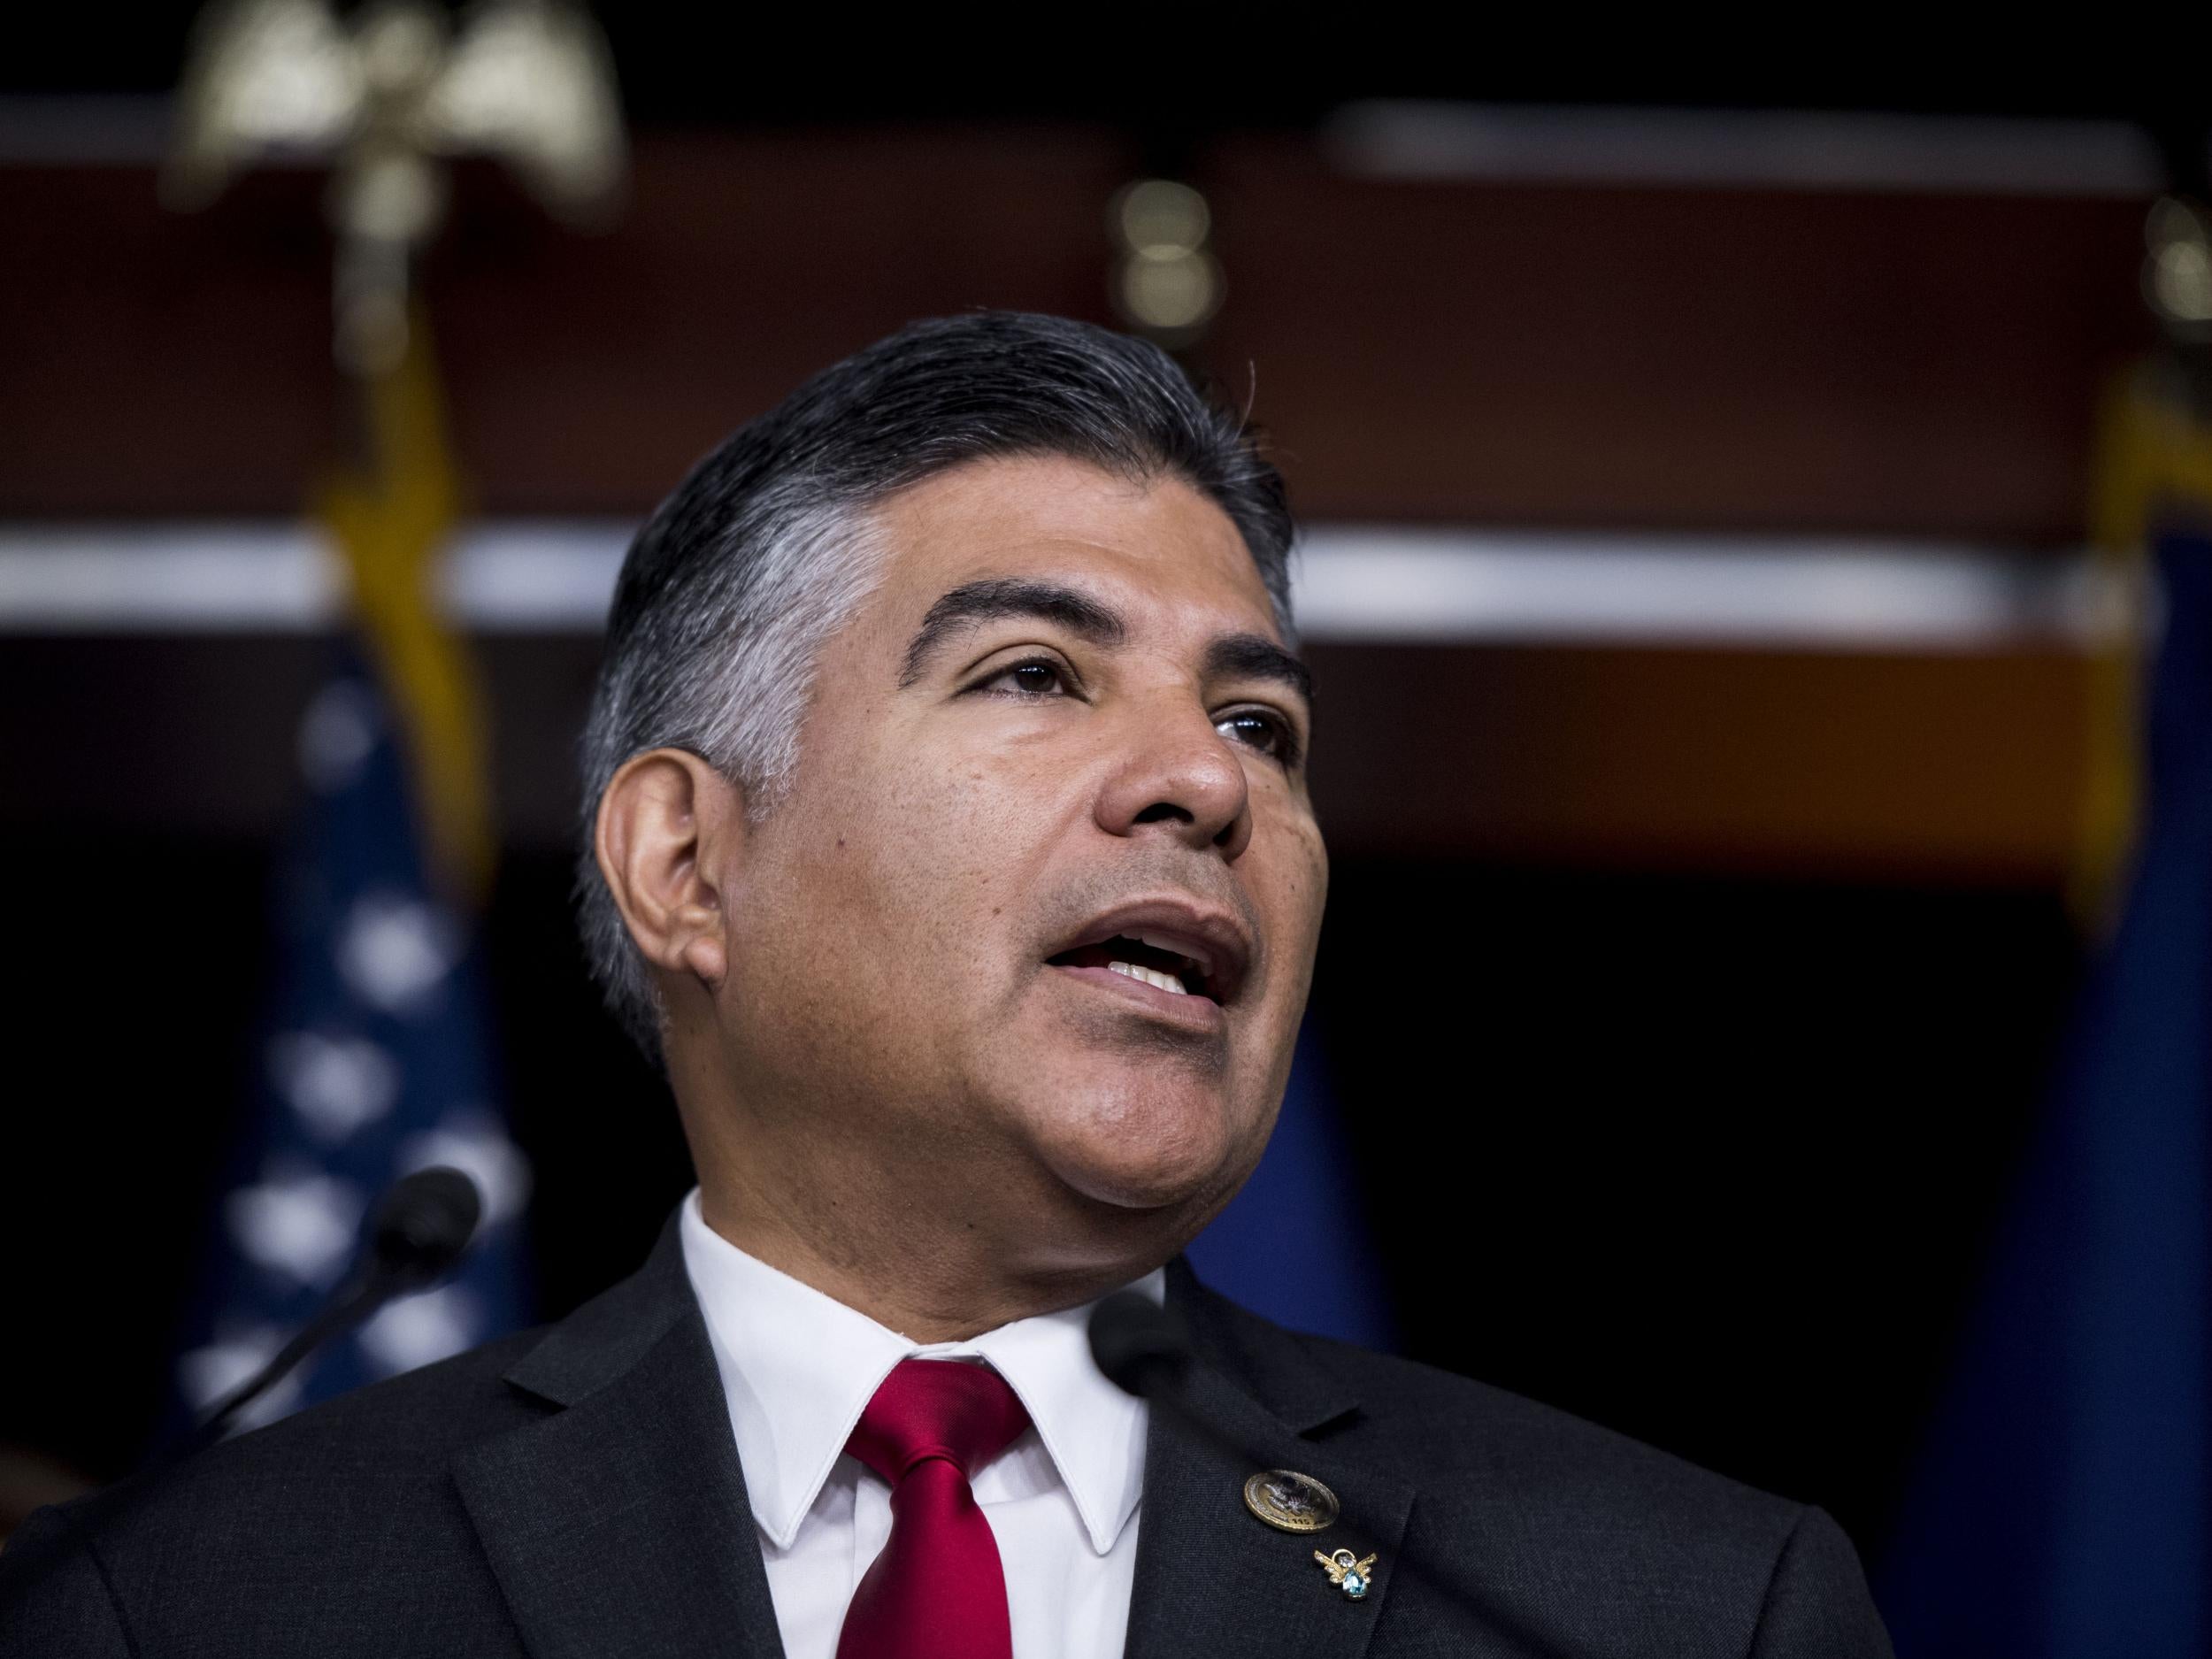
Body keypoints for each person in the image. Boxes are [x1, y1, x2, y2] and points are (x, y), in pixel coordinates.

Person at [0, 312, 1892, 1656]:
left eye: (1259, 717)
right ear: (684, 859)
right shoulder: (192, 1605)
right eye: (1032, 675)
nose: (1209, 777)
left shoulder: (1663, 1607)